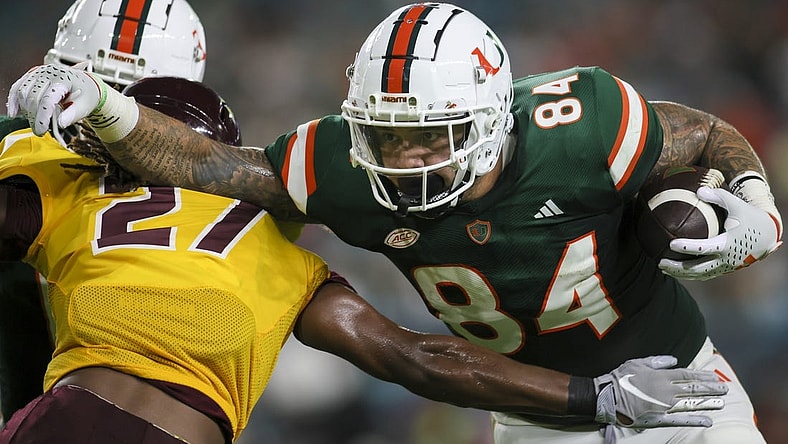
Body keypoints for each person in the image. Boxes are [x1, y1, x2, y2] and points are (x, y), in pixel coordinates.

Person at [10, 2, 776, 442]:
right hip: (534, 414)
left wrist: (756, 201)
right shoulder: (339, 169)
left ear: (489, 117)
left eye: (426, 136)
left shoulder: (582, 124)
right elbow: (210, 166)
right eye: (382, 135)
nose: (402, 158)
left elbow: (704, 130)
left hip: (676, 380)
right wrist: (106, 112)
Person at [0, 0, 209, 422]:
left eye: (121, 100)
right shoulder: (14, 146)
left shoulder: (208, 175)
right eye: (85, 86)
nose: (95, 116)